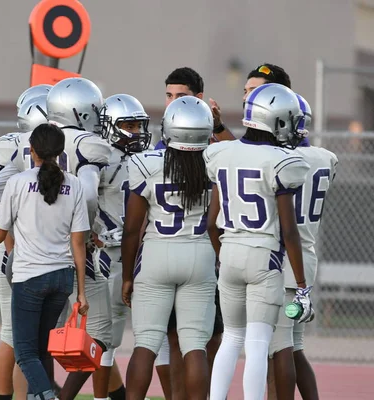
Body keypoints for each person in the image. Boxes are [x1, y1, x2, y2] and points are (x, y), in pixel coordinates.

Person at [205, 83, 314, 400]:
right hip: (263, 256)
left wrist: (223, 255)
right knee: (257, 344)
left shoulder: (222, 152)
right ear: (276, 120)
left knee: (231, 338)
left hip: (230, 252)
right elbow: (289, 230)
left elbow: (211, 224)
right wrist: (303, 285)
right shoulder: (281, 161)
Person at [0, 123, 90, 400]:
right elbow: (78, 243)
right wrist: (81, 292)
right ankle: (41, 396)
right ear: (61, 152)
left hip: (30, 276)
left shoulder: (18, 182)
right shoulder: (75, 184)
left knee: (24, 353)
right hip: (62, 276)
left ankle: (47, 396)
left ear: (32, 150)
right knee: (41, 347)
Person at [122, 96, 218, 400]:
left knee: (146, 343)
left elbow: (132, 228)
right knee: (194, 347)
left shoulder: (146, 163)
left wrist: (127, 276)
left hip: (156, 254)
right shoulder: (217, 161)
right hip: (200, 254)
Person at [159, 66, 231, 400]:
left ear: (199, 99)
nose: (173, 104)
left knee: (212, 337)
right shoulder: (165, 142)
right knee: (175, 338)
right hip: (173, 249)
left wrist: (217, 125)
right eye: (169, 96)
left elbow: (242, 155)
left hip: (210, 254)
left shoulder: (216, 143)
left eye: (182, 97)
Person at [0, 93, 51, 399]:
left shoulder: (21, 148)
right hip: (14, 249)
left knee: (26, 337)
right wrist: (10, 247)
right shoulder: (19, 151)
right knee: (15, 336)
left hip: (26, 251)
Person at [93, 93, 165, 400]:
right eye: (129, 126)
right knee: (106, 336)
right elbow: (83, 200)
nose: (137, 132)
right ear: (110, 126)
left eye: (138, 125)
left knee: (154, 331)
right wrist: (92, 233)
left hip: (142, 253)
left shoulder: (145, 157)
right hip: (110, 253)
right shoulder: (100, 158)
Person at [268, 94, 338, 400]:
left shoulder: (278, 159)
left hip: (285, 259)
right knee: (295, 346)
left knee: (279, 346)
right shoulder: (326, 157)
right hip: (306, 256)